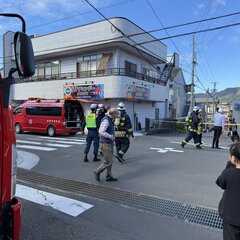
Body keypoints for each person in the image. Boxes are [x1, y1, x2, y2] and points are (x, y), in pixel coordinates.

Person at [216, 142, 240, 240]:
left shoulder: (229, 173)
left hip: (231, 216)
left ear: (233, 158)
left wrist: (229, 164)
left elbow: (221, 183)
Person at [94, 108, 119, 182]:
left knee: (110, 160)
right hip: (105, 144)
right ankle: (97, 171)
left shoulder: (110, 119)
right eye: (117, 113)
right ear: (113, 113)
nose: (117, 115)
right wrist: (110, 136)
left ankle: (109, 176)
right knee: (108, 161)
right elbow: (101, 131)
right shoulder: (106, 120)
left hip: (109, 143)